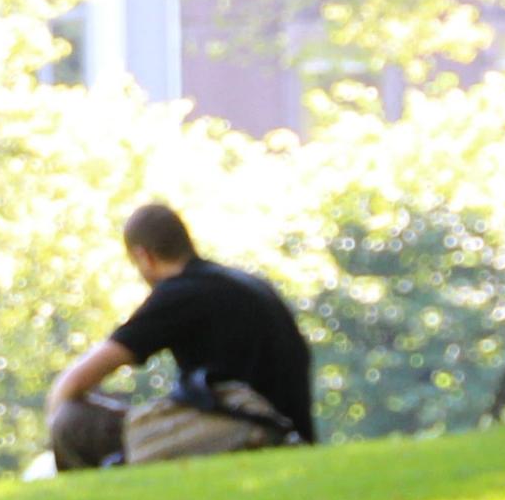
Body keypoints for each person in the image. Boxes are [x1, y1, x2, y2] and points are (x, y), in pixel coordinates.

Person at [41, 201, 317, 472]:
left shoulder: (179, 293)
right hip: (290, 426)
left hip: (249, 423)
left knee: (70, 420)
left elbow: (73, 382)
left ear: (144, 257)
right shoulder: (248, 283)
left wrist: (55, 437)